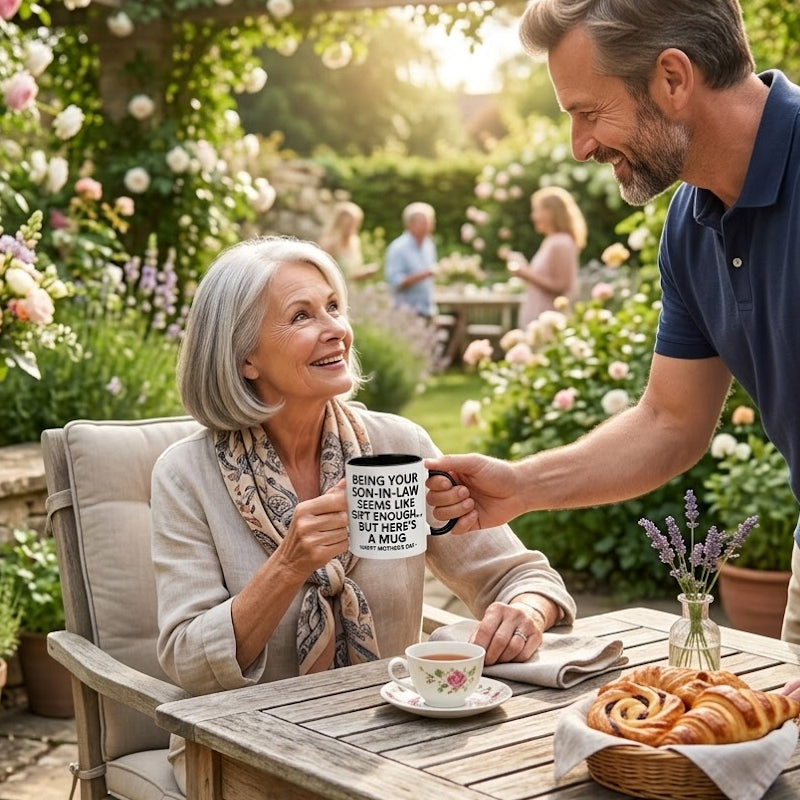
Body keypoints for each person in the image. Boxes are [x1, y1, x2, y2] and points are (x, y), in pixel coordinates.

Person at [425, 0, 800, 649]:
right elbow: (669, 423)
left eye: (588, 113)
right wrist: (521, 487)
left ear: (673, 78)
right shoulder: (690, 223)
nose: (581, 147)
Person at [150, 235, 576, 791]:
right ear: (244, 357)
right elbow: (187, 659)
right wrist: (288, 564)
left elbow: (520, 575)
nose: (336, 329)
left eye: (333, 306)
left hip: (395, 732)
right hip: (249, 749)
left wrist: (526, 610)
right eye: (301, 315)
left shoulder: (397, 447)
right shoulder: (186, 475)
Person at [509, 185, 587, 326]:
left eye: (537, 210)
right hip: (538, 317)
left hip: (549, 321)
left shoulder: (562, 243)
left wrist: (525, 274)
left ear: (551, 212)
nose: (533, 216)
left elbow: (561, 285)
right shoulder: (550, 241)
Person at [384, 201, 437, 319]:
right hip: (406, 313)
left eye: (430, 221)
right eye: (424, 222)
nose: (429, 225)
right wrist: (424, 274)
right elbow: (395, 282)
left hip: (427, 309)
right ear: (410, 224)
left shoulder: (429, 245)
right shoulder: (398, 248)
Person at [318, 200, 378, 283]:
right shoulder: (329, 244)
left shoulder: (355, 241)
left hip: (353, 290)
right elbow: (323, 274)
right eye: (352, 224)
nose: (356, 227)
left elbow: (354, 270)